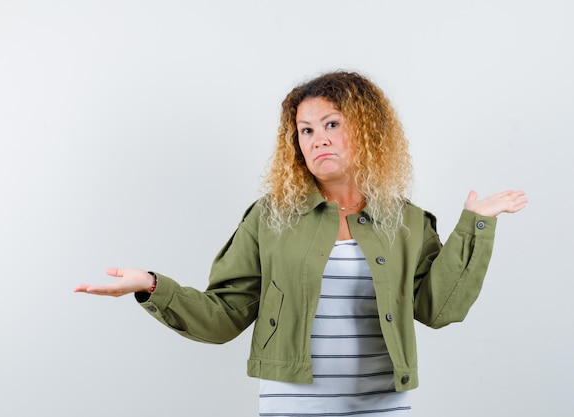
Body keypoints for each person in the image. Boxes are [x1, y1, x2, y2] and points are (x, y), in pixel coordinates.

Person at [74, 71, 527, 416]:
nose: (318, 138)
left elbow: (438, 309)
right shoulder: (269, 218)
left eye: (332, 123)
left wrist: (476, 225)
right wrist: (152, 285)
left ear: (368, 132)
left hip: (383, 404)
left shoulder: (404, 219)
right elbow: (224, 315)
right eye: (306, 130)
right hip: (293, 404)